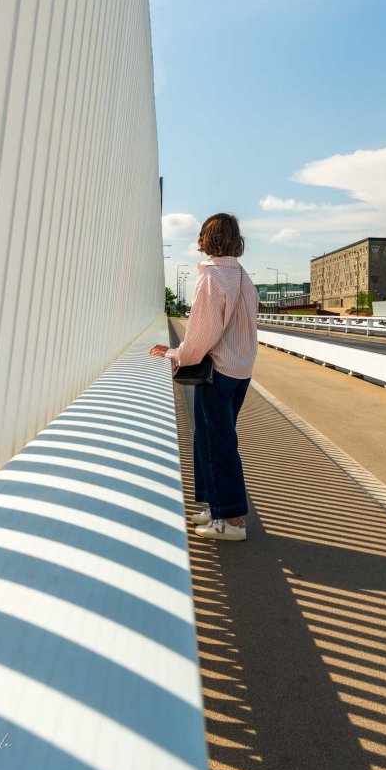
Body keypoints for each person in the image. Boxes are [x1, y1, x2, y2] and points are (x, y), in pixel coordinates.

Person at [151, 213, 259, 541]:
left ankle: (232, 522)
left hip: (219, 371)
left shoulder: (213, 276)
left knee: (217, 443)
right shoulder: (242, 276)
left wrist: (176, 354)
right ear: (236, 240)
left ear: (205, 239)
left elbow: (201, 333)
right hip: (241, 370)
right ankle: (217, 508)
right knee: (213, 440)